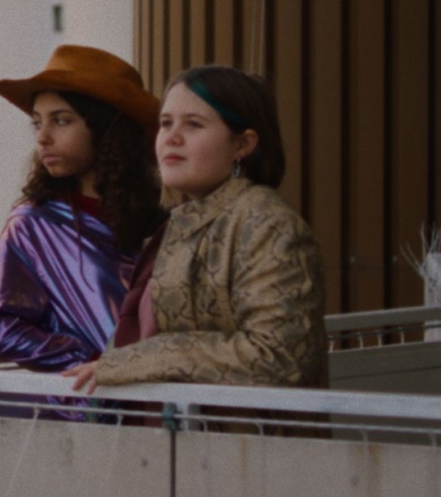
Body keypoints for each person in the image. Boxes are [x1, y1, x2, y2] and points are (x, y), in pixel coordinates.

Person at [64, 64, 329, 393]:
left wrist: (148, 359)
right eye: (166, 123)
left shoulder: (267, 224)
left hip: (247, 440)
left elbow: (277, 357)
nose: (172, 137)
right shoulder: (181, 220)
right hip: (176, 436)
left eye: (193, 124)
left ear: (243, 144)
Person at [0, 45, 165, 371]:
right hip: (86, 409)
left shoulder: (164, 222)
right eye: (38, 123)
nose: (43, 138)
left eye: (61, 121)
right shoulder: (33, 225)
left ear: (107, 129)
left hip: (163, 404)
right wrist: (87, 360)